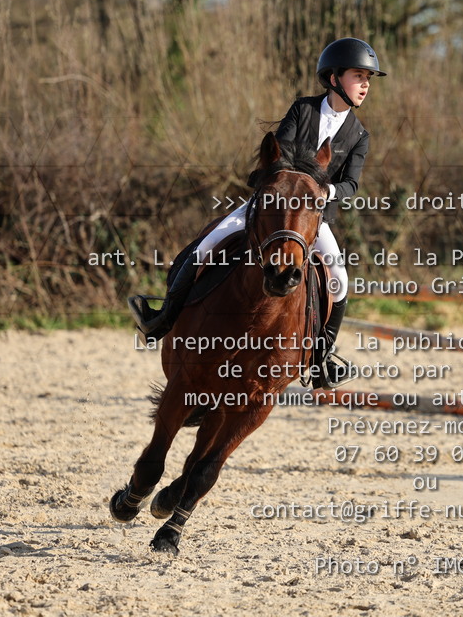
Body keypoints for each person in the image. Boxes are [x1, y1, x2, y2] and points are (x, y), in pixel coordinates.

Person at [128, 37, 385, 387]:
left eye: (368, 78)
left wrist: (325, 191)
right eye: (359, 76)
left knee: (339, 280)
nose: (366, 84)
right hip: (271, 208)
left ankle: (322, 357)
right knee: (206, 246)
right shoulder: (303, 110)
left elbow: (351, 184)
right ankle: (163, 318)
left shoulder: (359, 135)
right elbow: (278, 154)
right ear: (334, 78)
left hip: (312, 217)